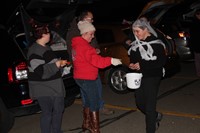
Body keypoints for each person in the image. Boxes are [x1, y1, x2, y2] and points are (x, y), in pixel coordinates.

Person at [71, 20, 122, 132]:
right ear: (84, 33)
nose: (93, 37)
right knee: (94, 102)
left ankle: (86, 123)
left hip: (79, 77)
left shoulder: (77, 44)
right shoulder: (85, 47)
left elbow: (84, 58)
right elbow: (97, 62)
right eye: (91, 34)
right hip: (88, 78)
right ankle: (95, 129)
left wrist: (93, 52)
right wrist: (111, 60)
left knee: (88, 101)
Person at [66, 10, 114, 115]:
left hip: (90, 64)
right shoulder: (75, 32)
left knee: (94, 90)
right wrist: (111, 60)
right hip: (83, 67)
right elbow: (73, 51)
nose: (92, 20)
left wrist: (96, 49)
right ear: (83, 19)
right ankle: (92, 115)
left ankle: (92, 114)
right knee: (89, 93)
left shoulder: (88, 29)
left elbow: (93, 43)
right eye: (90, 18)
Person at [27, 24, 68, 133]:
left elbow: (50, 64)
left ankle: (56, 131)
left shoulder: (46, 47)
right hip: (43, 88)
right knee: (47, 113)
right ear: (43, 34)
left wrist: (60, 66)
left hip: (54, 85)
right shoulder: (34, 51)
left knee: (58, 110)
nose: (50, 34)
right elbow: (41, 72)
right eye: (48, 32)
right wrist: (57, 64)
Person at [128, 19, 166, 133]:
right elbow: (133, 60)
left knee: (149, 107)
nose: (135, 34)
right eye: (134, 31)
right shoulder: (135, 45)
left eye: (137, 31)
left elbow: (161, 62)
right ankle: (156, 115)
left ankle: (150, 129)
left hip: (153, 75)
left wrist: (142, 65)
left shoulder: (157, 43)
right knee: (140, 103)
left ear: (145, 29)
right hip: (139, 77)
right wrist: (132, 65)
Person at [189, 9, 200, 77]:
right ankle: (198, 73)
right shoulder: (194, 24)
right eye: (198, 14)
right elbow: (193, 36)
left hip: (196, 43)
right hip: (197, 44)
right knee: (198, 59)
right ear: (196, 15)